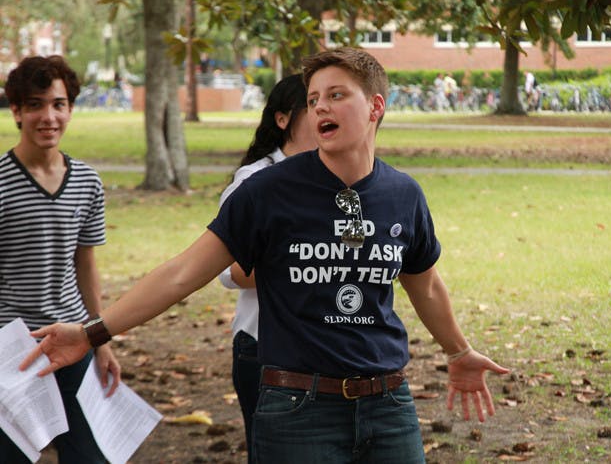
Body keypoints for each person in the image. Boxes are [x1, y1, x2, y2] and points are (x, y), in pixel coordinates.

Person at [21, 47, 509, 463]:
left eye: (337, 95)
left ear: (375, 106)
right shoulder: (266, 192)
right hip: (298, 409)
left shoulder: (404, 194)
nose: (320, 107)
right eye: (314, 98)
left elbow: (424, 284)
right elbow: (181, 274)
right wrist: (92, 333)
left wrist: (458, 351)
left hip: (388, 406)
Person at [0, 55, 120, 463]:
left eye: (58, 104)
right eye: (35, 105)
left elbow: (85, 264)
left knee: (90, 456)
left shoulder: (87, 180)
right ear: (16, 111)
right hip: (11, 349)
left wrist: (100, 340)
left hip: (72, 339)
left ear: (70, 108)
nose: (48, 116)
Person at [217, 73, 315, 461]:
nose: (326, 109)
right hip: (263, 350)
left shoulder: (341, 178)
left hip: (323, 354)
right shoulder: (254, 181)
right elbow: (229, 272)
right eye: (314, 103)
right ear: (282, 119)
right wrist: (303, 266)